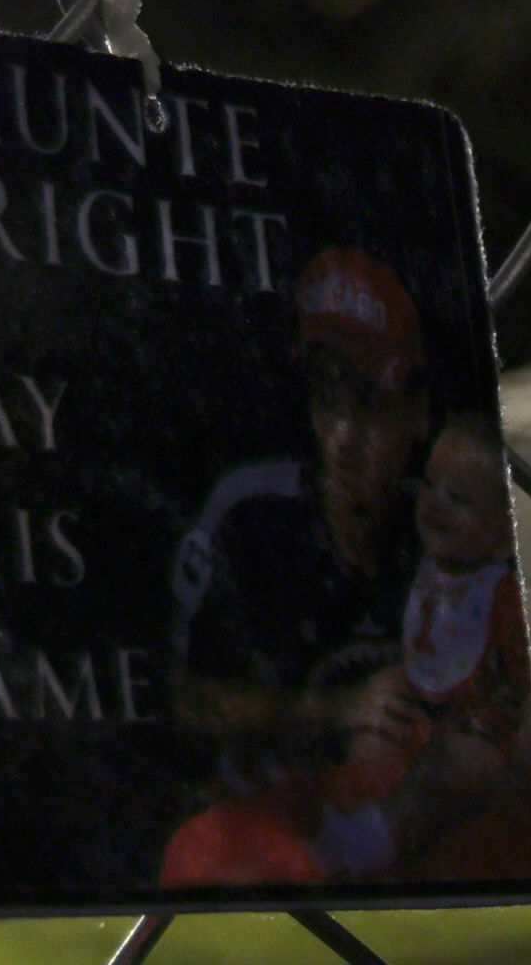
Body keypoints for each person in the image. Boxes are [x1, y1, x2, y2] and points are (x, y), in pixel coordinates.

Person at [160, 247, 432, 886]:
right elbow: (182, 699)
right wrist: (335, 709)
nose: (344, 437)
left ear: (419, 413)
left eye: (371, 404)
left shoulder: (443, 522)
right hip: (258, 832)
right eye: (328, 400)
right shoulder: (251, 516)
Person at [311, 414, 531, 881]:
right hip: (421, 722)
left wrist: (506, 735)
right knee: (374, 732)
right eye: (430, 484)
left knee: (453, 764)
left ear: (504, 538)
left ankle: (372, 842)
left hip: (479, 738)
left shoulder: (504, 600)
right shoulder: (418, 572)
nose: (433, 505)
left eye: (458, 499)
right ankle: (359, 827)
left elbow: (524, 693)